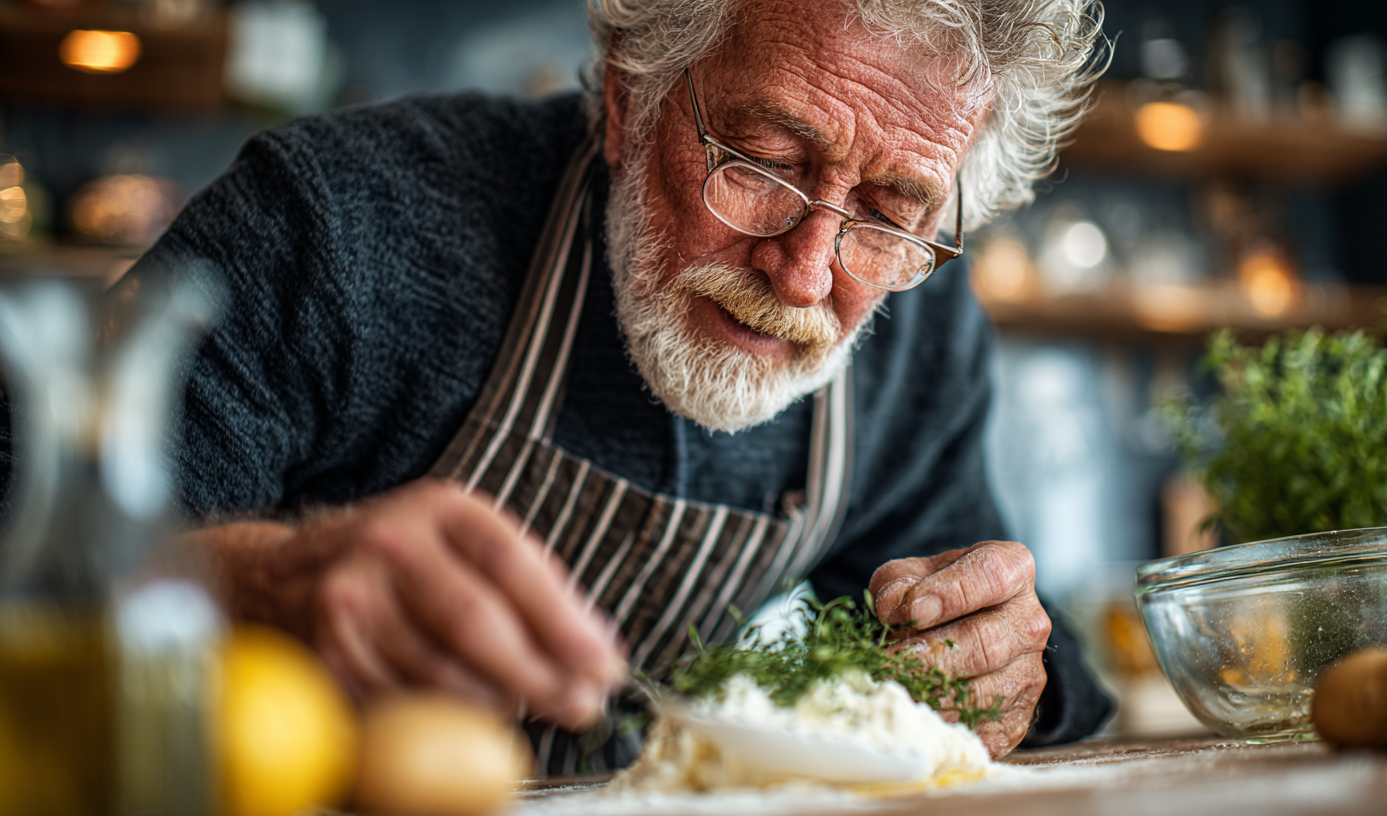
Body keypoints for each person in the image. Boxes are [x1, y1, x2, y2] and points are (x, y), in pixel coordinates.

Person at [55, 0, 1112, 771]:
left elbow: (1021, 655)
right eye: (758, 161)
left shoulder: (914, 342)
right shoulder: (339, 224)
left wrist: (1005, 668)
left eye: (890, 209)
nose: (805, 271)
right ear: (624, 99)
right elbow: (30, 548)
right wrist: (263, 587)